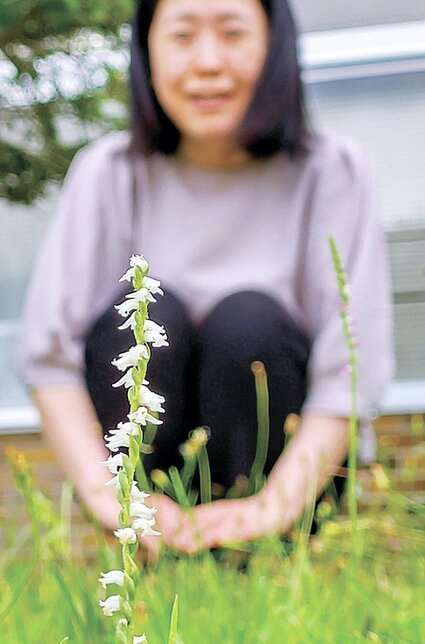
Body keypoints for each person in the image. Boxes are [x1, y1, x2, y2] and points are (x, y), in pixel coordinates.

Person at [19, 0, 394, 556]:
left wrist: (273, 506)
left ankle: (267, 561)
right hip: (141, 491)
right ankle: (145, 561)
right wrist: (110, 498)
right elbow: (51, 357)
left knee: (249, 322)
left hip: (282, 483)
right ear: (146, 50)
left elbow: (350, 371)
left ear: (276, 46)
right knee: (149, 316)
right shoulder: (109, 172)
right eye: (183, 36)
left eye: (233, 33)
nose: (208, 62)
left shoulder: (332, 170)